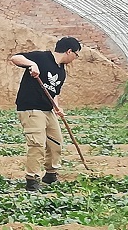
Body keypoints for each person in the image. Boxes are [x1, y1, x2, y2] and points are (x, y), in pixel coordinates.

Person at [10, 36, 82, 191]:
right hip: (31, 108)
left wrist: (57, 107)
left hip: (47, 109)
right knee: (37, 143)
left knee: (56, 142)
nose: (75, 59)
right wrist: (32, 64)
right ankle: (32, 179)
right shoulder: (41, 57)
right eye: (76, 55)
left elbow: (54, 93)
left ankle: (50, 174)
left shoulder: (61, 71)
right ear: (69, 51)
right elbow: (15, 58)